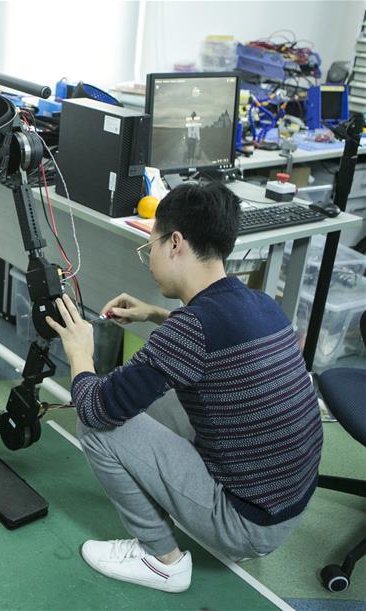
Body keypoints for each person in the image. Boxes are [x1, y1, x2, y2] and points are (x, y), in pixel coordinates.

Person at [45, 181, 322, 593]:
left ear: (175, 243)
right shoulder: (259, 302)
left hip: (247, 525)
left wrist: (79, 352)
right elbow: (210, 339)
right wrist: (156, 314)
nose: (149, 260)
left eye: (150, 247)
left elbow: (95, 407)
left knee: (98, 424)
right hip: (285, 504)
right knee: (164, 392)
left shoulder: (190, 332)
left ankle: (162, 560)